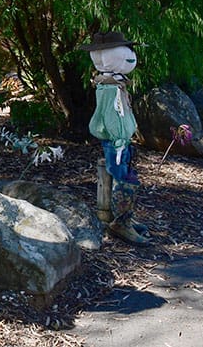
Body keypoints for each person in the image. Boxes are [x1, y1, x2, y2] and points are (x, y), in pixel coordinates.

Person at [83, 30, 150, 245]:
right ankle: (120, 223)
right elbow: (113, 117)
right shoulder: (110, 86)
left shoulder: (112, 82)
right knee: (123, 178)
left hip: (120, 141)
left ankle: (124, 217)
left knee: (126, 173)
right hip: (116, 142)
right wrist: (120, 137)